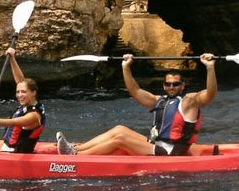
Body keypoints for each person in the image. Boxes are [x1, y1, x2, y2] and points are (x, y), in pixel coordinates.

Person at [57, 52, 217, 156]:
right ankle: (76, 148)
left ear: (182, 85)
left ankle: (76, 156)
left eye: (176, 84)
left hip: (171, 151)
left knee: (120, 139)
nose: (172, 87)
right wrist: (125, 67)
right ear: (164, 86)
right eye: (168, 84)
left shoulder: (189, 102)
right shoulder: (159, 100)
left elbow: (210, 93)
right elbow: (135, 91)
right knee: (120, 129)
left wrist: (210, 68)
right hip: (157, 144)